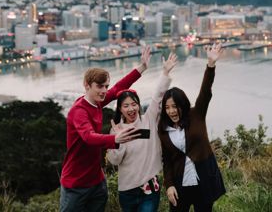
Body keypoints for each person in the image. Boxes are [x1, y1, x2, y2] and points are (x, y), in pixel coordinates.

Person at [59, 46, 151, 212]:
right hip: (76, 184)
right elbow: (88, 137)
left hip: (96, 180)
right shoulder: (79, 111)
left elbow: (118, 88)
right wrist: (114, 139)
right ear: (87, 85)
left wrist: (142, 68)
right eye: (99, 86)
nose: (104, 91)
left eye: (105, 86)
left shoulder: (97, 102)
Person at [158, 43, 226, 212]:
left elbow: (205, 91)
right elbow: (167, 160)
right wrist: (169, 185)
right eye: (167, 107)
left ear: (182, 104)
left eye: (175, 106)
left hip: (204, 181)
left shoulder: (196, 114)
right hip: (180, 184)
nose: (171, 111)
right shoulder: (163, 128)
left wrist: (210, 65)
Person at [107, 52, 177, 212]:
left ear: (138, 105)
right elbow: (114, 160)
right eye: (126, 106)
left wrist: (165, 73)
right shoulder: (116, 130)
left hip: (149, 187)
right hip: (126, 191)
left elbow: (158, 97)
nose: (131, 109)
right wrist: (118, 140)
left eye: (134, 104)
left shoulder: (149, 120)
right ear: (120, 109)